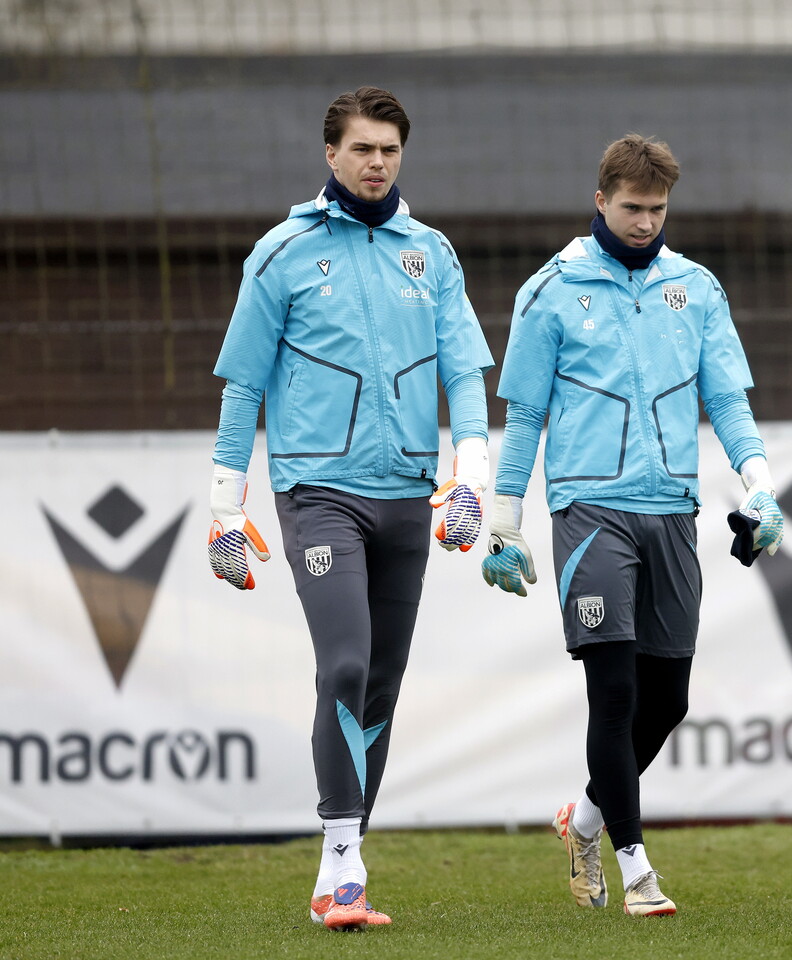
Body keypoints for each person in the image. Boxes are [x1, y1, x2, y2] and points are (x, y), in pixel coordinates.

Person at [206, 86, 493, 932]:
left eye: (390, 150)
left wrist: (471, 471)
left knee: (381, 685)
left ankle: (343, 862)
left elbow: (465, 373)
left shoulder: (432, 253)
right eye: (362, 149)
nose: (376, 162)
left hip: (408, 494)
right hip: (317, 493)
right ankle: (343, 862)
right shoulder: (282, 253)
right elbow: (243, 388)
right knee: (343, 666)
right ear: (330, 155)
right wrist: (225, 508)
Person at [479, 134, 784, 917]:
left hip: (671, 512)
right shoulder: (550, 289)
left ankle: (583, 819)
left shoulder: (698, 289)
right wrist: (504, 521)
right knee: (612, 692)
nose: (646, 222)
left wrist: (762, 485)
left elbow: (728, 403)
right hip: (589, 512)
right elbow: (527, 415)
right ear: (600, 201)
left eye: (657, 209)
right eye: (632, 207)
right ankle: (636, 867)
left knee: (668, 700)